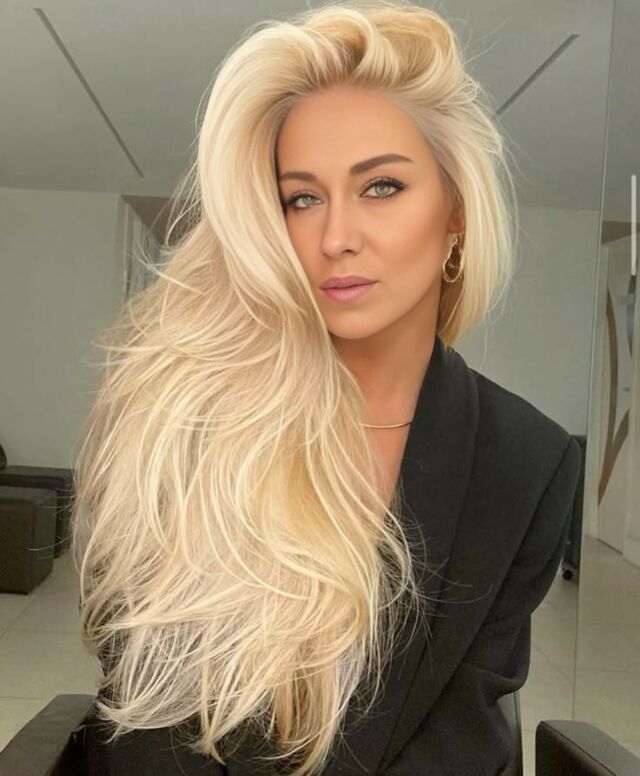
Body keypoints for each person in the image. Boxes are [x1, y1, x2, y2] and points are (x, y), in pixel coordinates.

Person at [74, 1, 583, 774]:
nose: (336, 236)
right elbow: (148, 718)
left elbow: (466, 735)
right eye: (302, 198)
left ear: (454, 213)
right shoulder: (180, 420)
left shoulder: (528, 462)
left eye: (381, 186)